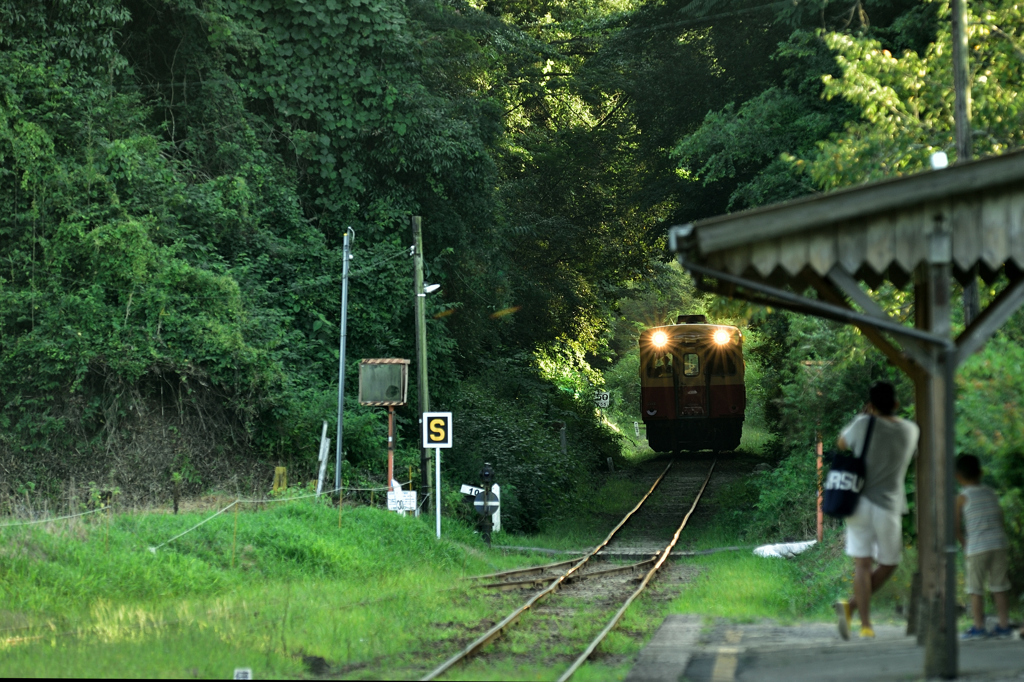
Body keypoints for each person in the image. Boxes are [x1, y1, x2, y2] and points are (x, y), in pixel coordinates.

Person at [833, 381, 920, 640]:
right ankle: (851, 610)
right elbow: (915, 455)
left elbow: (841, 444)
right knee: (889, 562)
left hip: (858, 503)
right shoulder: (909, 429)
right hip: (890, 504)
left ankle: (864, 623)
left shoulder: (862, 425)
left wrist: (863, 418)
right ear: (895, 403)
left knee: (862, 564)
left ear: (871, 404)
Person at [955, 454, 1014, 639]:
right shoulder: (990, 493)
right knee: (999, 586)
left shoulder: (962, 498)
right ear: (981, 473)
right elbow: (1000, 519)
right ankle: (1004, 625)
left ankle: (979, 627)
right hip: (999, 544)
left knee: (975, 588)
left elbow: (956, 528)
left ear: (957, 476)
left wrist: (965, 545)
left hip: (977, 547)